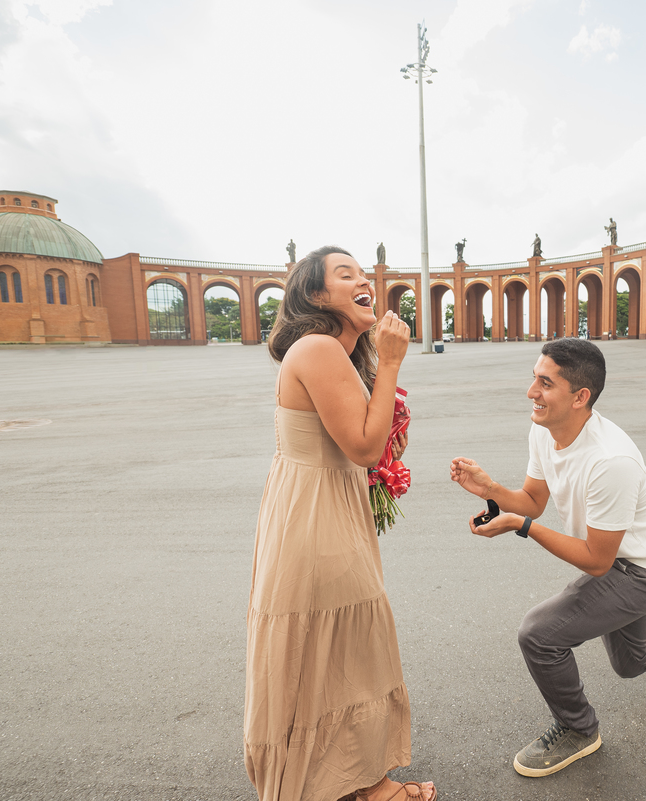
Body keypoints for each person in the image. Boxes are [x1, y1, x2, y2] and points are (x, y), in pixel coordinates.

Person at [449, 339, 646, 778]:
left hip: (644, 572)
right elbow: (533, 500)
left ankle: (578, 729)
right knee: (631, 662)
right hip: (618, 561)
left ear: (580, 396)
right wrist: (490, 489)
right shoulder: (545, 430)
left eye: (546, 384)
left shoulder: (611, 460)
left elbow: (596, 562)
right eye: (534, 378)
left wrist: (522, 527)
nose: (531, 392)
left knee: (539, 635)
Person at [245, 245, 436, 801]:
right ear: (315, 295)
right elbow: (363, 447)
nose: (364, 281)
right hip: (318, 521)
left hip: (315, 509)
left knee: (325, 656)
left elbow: (374, 444)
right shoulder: (319, 348)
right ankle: (372, 788)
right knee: (348, 651)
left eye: (364, 273)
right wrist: (392, 362)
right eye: (345, 274)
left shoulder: (336, 353)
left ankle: (336, 783)